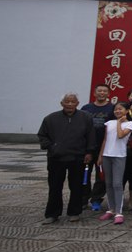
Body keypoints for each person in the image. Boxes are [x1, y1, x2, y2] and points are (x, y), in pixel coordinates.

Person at [37, 93, 96, 224]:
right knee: (55, 186)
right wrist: (52, 147)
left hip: (77, 157)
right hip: (56, 158)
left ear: (77, 103)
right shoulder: (51, 118)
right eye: (67, 102)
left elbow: (91, 136)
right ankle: (52, 213)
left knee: (76, 186)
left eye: (72, 102)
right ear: (62, 103)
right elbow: (42, 135)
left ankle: (74, 212)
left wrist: (89, 152)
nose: (70, 104)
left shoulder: (85, 117)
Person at [97, 102, 132, 225]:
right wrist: (100, 155)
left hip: (119, 156)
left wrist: (119, 123)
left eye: (120, 109)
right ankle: (111, 209)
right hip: (107, 155)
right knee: (108, 183)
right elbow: (105, 140)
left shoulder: (130, 124)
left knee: (117, 184)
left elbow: (120, 135)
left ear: (127, 111)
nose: (117, 111)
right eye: (116, 109)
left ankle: (119, 212)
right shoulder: (109, 123)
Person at [81, 84, 114, 211]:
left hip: (104, 147)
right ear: (94, 93)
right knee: (84, 174)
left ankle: (96, 199)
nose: (102, 93)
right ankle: (83, 199)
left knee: (102, 176)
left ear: (108, 94)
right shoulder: (86, 108)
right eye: (99, 91)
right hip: (87, 147)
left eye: (104, 91)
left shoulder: (112, 108)